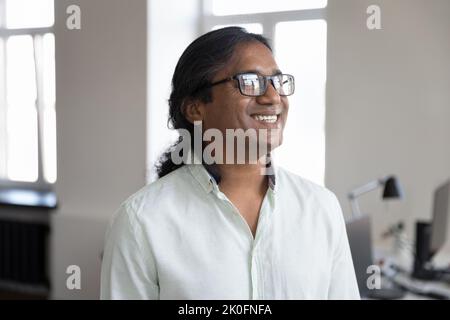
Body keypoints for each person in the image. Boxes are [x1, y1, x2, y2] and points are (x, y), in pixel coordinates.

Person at [100, 27, 360, 299]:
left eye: (277, 81)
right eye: (250, 81)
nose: (273, 97)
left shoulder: (322, 209)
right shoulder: (141, 222)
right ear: (196, 107)